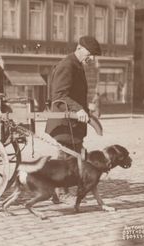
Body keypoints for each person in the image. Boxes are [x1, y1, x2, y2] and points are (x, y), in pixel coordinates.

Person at [45, 35, 101, 203]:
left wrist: (84, 109)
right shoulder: (67, 65)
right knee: (65, 157)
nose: (91, 58)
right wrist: (78, 109)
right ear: (79, 48)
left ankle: (57, 193)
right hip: (64, 122)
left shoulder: (76, 65)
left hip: (72, 122)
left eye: (93, 55)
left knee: (73, 155)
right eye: (89, 53)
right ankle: (61, 193)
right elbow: (59, 96)